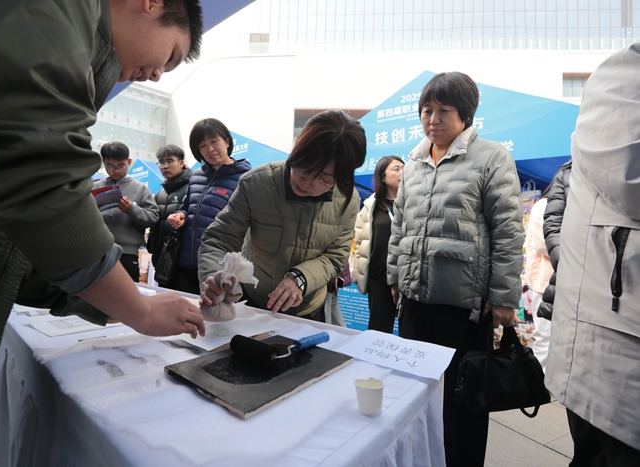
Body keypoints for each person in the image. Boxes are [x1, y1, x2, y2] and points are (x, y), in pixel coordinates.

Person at [0, 0, 205, 458]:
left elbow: (8, 244)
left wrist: (114, 303)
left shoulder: (71, 41)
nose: (157, 75)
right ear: (152, 3)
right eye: (170, 56)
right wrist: (138, 311)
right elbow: (41, 182)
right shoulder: (51, 14)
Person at [386, 72, 524, 467]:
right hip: (415, 303)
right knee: (417, 395)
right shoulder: (413, 162)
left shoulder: (491, 157)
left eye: (443, 111)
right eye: (426, 110)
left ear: (465, 114)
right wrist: (394, 276)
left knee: (463, 404)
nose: (432, 119)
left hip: (464, 309)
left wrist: (503, 297)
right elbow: (399, 226)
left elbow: (508, 230)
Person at [546, 43, 640, 466]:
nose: (433, 119)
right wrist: (562, 260)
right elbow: (552, 225)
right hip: (609, 337)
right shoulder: (627, 72)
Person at [198, 110, 366, 320]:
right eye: (303, 167)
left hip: (310, 308)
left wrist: (301, 278)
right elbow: (218, 239)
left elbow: (336, 256)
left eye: (323, 179)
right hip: (256, 302)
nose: (306, 182)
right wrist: (213, 275)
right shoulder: (257, 183)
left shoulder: (348, 200)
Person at [168, 118, 251, 294]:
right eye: (203, 146)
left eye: (214, 141)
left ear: (227, 142)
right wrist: (181, 216)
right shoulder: (196, 176)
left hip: (219, 267)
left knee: (215, 309)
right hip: (185, 263)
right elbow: (185, 207)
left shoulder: (245, 179)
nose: (210, 149)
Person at [351, 155, 404, 334]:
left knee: (409, 332)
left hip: (405, 279)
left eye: (404, 169)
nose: (402, 172)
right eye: (396, 169)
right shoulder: (370, 206)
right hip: (378, 279)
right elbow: (360, 242)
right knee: (378, 330)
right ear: (382, 177)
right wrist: (358, 273)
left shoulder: (411, 205)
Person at [93, 142, 159, 282]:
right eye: (110, 166)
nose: (116, 170)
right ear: (103, 162)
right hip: (97, 251)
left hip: (127, 253)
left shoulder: (140, 188)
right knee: (96, 291)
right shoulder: (94, 187)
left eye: (121, 166)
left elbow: (153, 217)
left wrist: (131, 209)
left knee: (127, 292)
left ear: (128, 162)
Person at [147, 144, 192, 280]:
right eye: (161, 162)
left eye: (169, 161)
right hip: (161, 260)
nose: (165, 166)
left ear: (181, 163)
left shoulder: (192, 188)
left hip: (184, 262)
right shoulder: (160, 193)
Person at [536, 159, 572, 322]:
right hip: (549, 279)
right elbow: (544, 238)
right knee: (545, 333)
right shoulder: (541, 205)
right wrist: (566, 261)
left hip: (560, 275)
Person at [524, 187, 554, 372]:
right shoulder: (543, 205)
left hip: (565, 284)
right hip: (545, 286)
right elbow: (543, 243)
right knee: (545, 337)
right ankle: (540, 383)